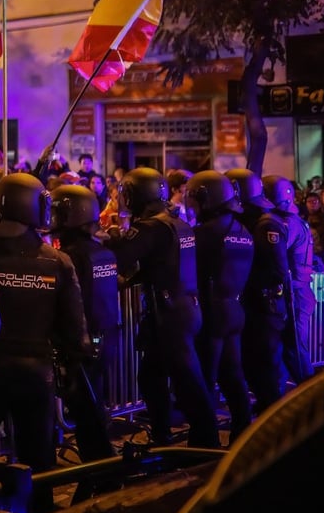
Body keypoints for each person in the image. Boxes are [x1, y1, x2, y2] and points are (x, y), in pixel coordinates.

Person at [0, 174, 93, 508]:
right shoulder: (58, 261)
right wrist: (74, 367)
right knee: (39, 459)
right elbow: (74, 327)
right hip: (37, 374)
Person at [105, 168, 219, 447]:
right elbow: (162, 264)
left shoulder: (150, 227)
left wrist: (114, 236)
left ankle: (205, 441)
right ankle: (167, 436)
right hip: (183, 308)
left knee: (186, 380)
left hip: (168, 312)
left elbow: (121, 256)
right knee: (155, 376)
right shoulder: (174, 222)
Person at [48, 184, 118, 461]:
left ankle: (100, 473)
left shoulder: (71, 256)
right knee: (93, 409)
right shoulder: (102, 252)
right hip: (104, 339)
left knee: (88, 415)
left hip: (81, 345)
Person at [186, 170, 254, 441]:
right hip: (235, 310)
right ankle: (242, 433)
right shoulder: (243, 230)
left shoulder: (204, 233)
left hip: (211, 312)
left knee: (205, 379)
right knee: (233, 378)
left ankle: (205, 441)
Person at [228, 168, 292, 412]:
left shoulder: (266, 224)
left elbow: (277, 270)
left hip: (266, 306)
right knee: (254, 367)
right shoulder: (255, 220)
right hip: (256, 306)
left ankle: (274, 424)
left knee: (264, 368)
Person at [262, 175, 315, 386]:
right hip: (298, 292)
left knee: (295, 350)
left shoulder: (286, 223)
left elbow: (276, 254)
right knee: (287, 349)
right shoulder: (293, 220)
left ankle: (310, 398)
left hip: (295, 294)